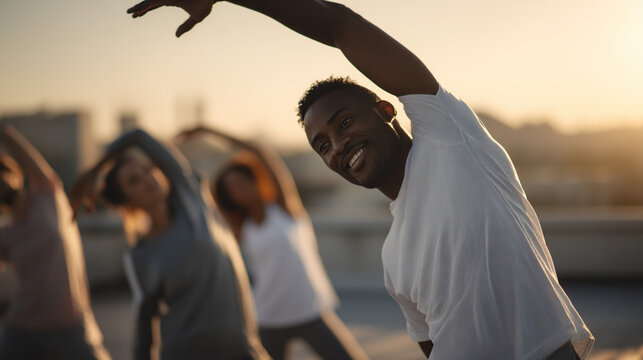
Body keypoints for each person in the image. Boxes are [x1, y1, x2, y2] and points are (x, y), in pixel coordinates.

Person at [125, 1, 595, 359]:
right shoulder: (393, 257)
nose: (338, 146)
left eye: (344, 123)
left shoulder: (449, 139)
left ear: (386, 110)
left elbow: (340, 27)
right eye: (323, 145)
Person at [71, 128, 269, 360]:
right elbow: (144, 329)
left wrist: (94, 170)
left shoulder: (190, 199)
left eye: (147, 170)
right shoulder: (139, 256)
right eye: (134, 181)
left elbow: (138, 136)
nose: (148, 179)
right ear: (127, 202)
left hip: (242, 349)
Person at [177, 126, 368, 360]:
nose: (240, 190)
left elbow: (259, 150)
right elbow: (203, 203)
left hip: (310, 310)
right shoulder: (240, 227)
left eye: (242, 182)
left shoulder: (285, 207)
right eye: (233, 189)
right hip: (269, 317)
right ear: (230, 197)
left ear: (254, 180)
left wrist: (208, 131)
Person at [0, 125, 110, 360]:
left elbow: (24, 153)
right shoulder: (5, 235)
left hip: (72, 325)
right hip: (23, 330)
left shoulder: (49, 197)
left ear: (16, 174)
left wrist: (4, 132)